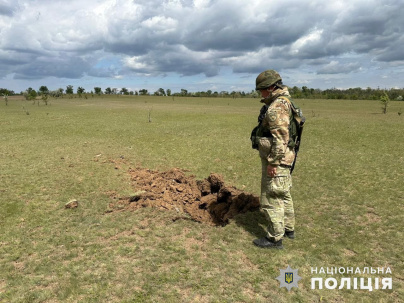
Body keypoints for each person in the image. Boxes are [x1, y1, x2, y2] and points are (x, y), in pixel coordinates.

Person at [251, 69, 296, 249]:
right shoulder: (285, 101)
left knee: (272, 196)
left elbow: (281, 139)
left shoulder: (277, 107)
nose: (260, 93)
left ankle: (274, 238)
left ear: (270, 88)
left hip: (278, 159)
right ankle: (288, 229)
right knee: (283, 193)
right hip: (285, 157)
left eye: (261, 90)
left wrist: (273, 162)